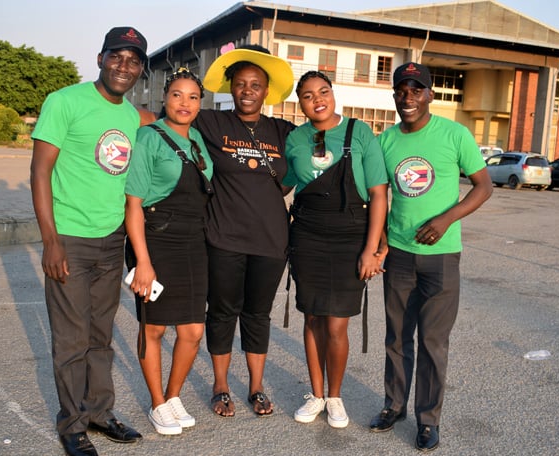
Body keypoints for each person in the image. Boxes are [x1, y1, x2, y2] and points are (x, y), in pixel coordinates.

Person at [30, 27, 150, 456]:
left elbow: (162, 124)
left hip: (111, 240)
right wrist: (50, 241)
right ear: (100, 58)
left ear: (140, 69)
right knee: (71, 338)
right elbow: (40, 171)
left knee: (100, 336)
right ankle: (73, 425)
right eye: (116, 57)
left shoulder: (133, 117)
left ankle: (99, 412)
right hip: (70, 240)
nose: (124, 66)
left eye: (134, 60)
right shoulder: (66, 101)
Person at [369, 62, 493, 451]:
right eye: (402, 90)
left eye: (416, 90)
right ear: (395, 96)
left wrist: (446, 218)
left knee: (433, 342)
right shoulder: (385, 141)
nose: (408, 97)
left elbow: (484, 186)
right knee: (396, 338)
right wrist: (382, 241)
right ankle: (394, 406)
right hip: (401, 255)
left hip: (441, 256)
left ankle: (428, 420)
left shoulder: (454, 134)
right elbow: (379, 196)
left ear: (430, 95)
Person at [194, 44, 295, 417]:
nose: (247, 90)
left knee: (257, 314)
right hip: (223, 237)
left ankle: (256, 387)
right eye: (240, 84)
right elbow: (166, 119)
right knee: (221, 311)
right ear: (230, 89)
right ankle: (220, 386)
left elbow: (308, 164)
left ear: (266, 91)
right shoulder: (211, 123)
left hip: (271, 241)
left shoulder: (285, 131)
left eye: (255, 84)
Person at [284, 71, 388, 428]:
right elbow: (278, 185)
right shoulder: (294, 138)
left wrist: (372, 249)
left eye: (323, 92)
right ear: (301, 102)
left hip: (351, 238)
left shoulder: (360, 132)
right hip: (308, 237)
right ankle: (315, 394)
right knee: (312, 317)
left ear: (333, 93)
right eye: (309, 95)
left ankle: (335, 396)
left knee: (337, 324)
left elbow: (377, 193)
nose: (318, 100)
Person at [124, 68, 213, 436]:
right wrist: (142, 261)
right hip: (156, 239)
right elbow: (133, 205)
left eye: (193, 97)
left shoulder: (198, 139)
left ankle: (174, 395)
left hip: (194, 241)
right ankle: (158, 403)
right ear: (165, 98)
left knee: (192, 330)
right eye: (177, 95)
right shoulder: (148, 137)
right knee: (155, 327)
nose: (185, 103)